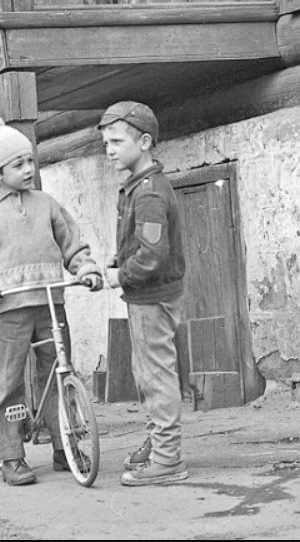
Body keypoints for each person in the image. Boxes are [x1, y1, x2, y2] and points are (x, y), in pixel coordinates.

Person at [0, 113, 103, 486]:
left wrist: (85, 268)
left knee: (59, 373)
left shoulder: (46, 204)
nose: (28, 169)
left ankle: (65, 447)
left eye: (30, 161)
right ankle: (10, 455)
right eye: (18, 164)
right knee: (9, 380)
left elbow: (71, 243)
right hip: (9, 307)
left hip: (50, 303)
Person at [98, 101, 188, 487]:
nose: (110, 150)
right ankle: (158, 442)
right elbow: (141, 244)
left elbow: (152, 255)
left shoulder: (149, 192)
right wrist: (119, 260)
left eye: (117, 141)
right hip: (145, 295)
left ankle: (168, 459)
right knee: (147, 374)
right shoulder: (137, 187)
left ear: (145, 142)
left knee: (156, 376)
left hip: (152, 296)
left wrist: (121, 275)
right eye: (106, 143)